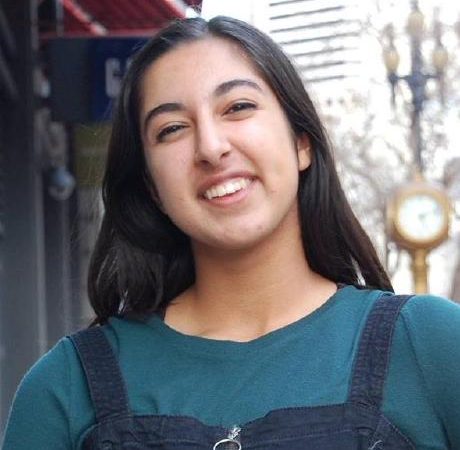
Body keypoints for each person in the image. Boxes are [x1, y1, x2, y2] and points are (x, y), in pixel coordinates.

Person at [3, 16, 460, 450]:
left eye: (238, 107)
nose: (211, 147)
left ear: (301, 141)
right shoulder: (67, 388)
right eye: (172, 129)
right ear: (151, 186)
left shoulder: (431, 345)